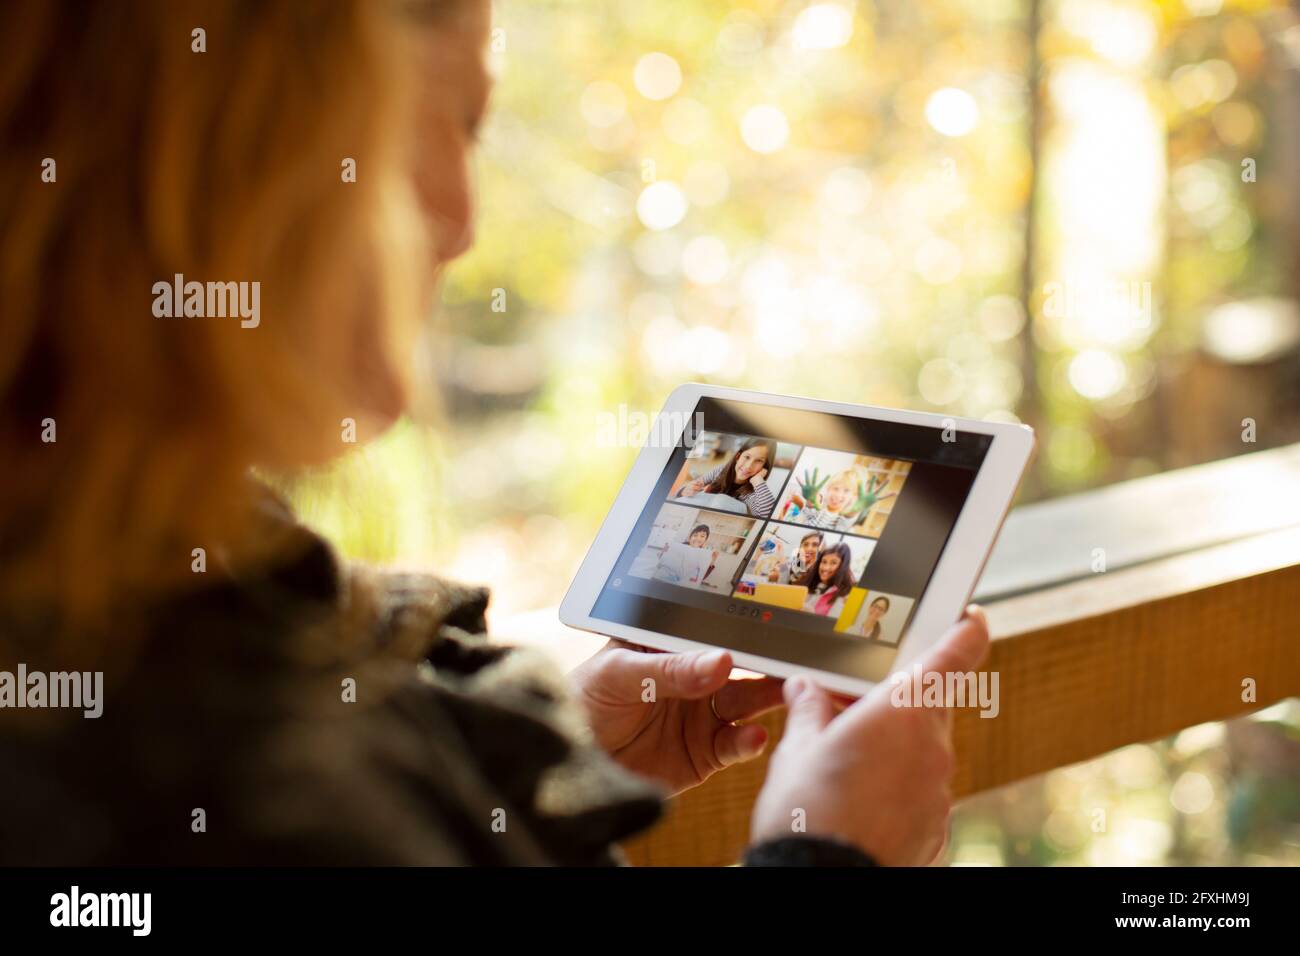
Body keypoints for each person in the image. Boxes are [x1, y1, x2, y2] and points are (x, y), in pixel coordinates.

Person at [0, 0, 989, 867]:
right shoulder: (253, 768)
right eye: (459, 123)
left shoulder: (143, 580)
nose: (464, 223)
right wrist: (830, 854)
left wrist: (539, 757)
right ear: (251, 147)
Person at [676, 438, 778, 518]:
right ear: (738, 456)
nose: (748, 466)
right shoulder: (721, 470)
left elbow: (768, 515)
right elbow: (691, 487)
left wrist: (759, 481)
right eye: (747, 457)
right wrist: (685, 490)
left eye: (759, 461)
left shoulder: (753, 493)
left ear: (765, 467)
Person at [795, 543, 856, 617]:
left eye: (833, 563)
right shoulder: (807, 581)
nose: (826, 568)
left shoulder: (845, 595)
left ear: (843, 566)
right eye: (824, 562)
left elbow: (831, 625)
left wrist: (812, 615)